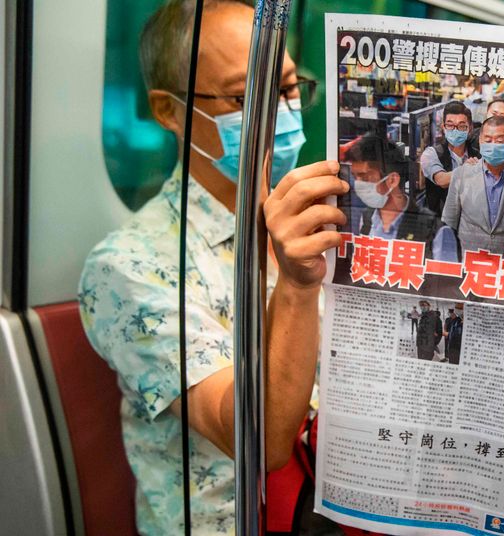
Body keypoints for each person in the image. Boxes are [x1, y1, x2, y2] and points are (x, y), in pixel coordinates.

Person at [78, 1, 345, 533]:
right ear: (169, 110)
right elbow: (259, 440)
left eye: (289, 89)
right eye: (247, 97)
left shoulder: (330, 225)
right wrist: (295, 286)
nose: (279, 112)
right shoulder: (130, 267)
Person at [441, 116, 504, 254]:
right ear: (480, 141)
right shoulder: (461, 176)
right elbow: (448, 224)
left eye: (500, 141)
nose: (493, 145)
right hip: (469, 264)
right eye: (488, 140)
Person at [347, 133, 442, 250]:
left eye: (364, 177)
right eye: (355, 177)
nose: (358, 184)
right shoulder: (368, 217)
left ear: (392, 180)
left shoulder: (433, 229)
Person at [419, 100, 479, 216]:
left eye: (461, 126)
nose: (455, 130)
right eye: (450, 125)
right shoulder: (431, 154)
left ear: (470, 128)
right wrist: (466, 170)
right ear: (443, 127)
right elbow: (441, 180)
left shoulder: (478, 155)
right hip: (439, 221)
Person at [469, 98, 504, 166]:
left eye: (502, 116)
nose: (497, 118)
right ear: (487, 113)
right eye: (494, 113)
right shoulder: (471, 137)